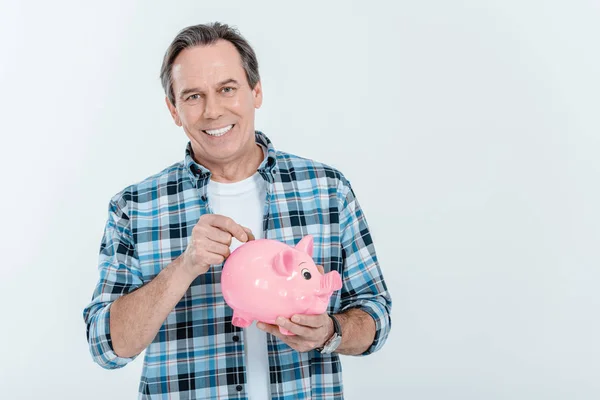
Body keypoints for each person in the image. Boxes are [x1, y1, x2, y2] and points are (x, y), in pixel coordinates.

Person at [83, 22, 392, 399]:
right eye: (193, 96)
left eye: (227, 89)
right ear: (173, 109)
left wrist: (331, 331)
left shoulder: (327, 189)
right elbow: (106, 346)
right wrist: (185, 266)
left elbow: (376, 316)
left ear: (255, 91)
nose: (213, 111)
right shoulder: (134, 208)